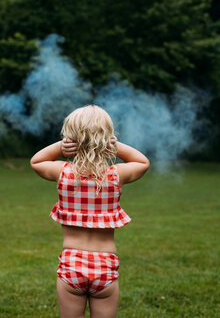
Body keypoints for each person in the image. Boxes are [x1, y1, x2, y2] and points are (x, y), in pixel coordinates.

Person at [30, 105, 150, 318]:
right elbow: (143, 162)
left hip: (71, 264)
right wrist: (117, 147)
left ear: (70, 139)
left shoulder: (63, 173)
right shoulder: (115, 175)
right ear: (108, 139)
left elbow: (36, 161)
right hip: (105, 265)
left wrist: (60, 147)